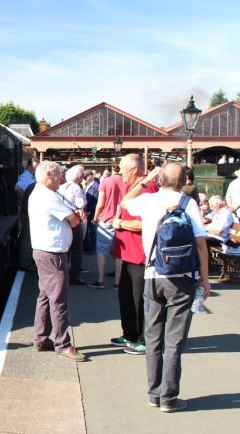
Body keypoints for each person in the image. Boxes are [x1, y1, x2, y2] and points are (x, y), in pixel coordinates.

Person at [121, 163, 210, 413]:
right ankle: (168, 398)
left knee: (153, 337)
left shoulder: (148, 199)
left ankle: (153, 393)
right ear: (184, 181)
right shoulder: (187, 203)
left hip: (152, 274)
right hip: (182, 278)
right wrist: (204, 279)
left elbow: (125, 202)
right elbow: (201, 244)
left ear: (160, 179)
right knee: (174, 340)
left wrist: (145, 179)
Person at [28, 161, 87, 361]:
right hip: (53, 253)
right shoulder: (49, 196)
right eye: (58, 175)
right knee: (58, 300)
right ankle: (62, 344)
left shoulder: (38, 193)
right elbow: (74, 220)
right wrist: (76, 216)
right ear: (48, 176)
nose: (62, 179)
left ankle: (41, 338)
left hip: (44, 250)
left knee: (45, 296)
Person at [110, 154, 157, 355]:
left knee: (139, 298)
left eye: (122, 169)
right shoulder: (134, 187)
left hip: (140, 254)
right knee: (126, 295)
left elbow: (146, 223)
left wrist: (120, 223)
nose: (120, 173)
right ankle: (129, 333)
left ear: (134, 169)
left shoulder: (149, 189)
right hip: (128, 252)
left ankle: (142, 339)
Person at [90, 164, 127, 288]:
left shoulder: (105, 181)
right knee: (119, 253)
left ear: (111, 169)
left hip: (106, 219)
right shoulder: (126, 182)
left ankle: (101, 280)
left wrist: (95, 218)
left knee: (101, 251)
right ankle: (118, 282)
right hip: (122, 220)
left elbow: (100, 203)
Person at [59, 165, 87, 284]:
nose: (83, 177)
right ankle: (74, 276)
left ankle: (63, 274)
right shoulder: (76, 187)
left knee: (65, 248)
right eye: (82, 175)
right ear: (78, 176)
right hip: (74, 219)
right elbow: (81, 203)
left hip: (63, 219)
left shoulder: (61, 186)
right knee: (76, 249)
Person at [16, 158, 39, 272]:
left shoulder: (32, 177)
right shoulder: (26, 177)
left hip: (29, 211)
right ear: (29, 166)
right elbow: (17, 189)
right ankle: (25, 263)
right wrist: (26, 201)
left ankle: (28, 261)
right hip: (28, 212)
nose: (36, 168)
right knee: (27, 238)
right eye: (35, 166)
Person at [83, 170, 100, 253]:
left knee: (92, 230)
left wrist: (90, 211)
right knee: (89, 230)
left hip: (91, 212)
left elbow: (96, 200)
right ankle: (89, 247)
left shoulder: (96, 186)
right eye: (85, 177)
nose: (85, 178)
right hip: (88, 211)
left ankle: (93, 248)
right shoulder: (88, 185)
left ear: (91, 176)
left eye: (87, 176)